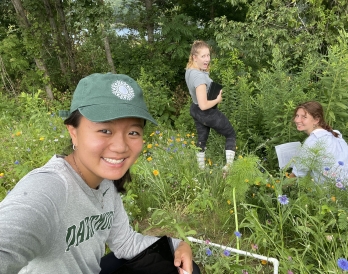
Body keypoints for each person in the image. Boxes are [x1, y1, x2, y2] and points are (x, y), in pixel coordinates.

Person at [0, 73, 199, 274]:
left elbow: (126, 243)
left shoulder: (105, 185)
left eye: (133, 132)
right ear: (73, 132)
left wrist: (179, 245)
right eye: (105, 130)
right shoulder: (49, 188)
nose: (121, 147)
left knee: (181, 266)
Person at [185, 40, 236, 170]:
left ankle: (201, 170)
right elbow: (203, 105)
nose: (207, 59)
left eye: (208, 55)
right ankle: (228, 168)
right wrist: (217, 99)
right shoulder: (199, 78)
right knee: (230, 134)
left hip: (195, 110)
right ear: (194, 57)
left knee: (202, 139)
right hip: (206, 112)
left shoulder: (190, 70)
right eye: (203, 56)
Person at [289, 101, 348, 185]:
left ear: (316, 120)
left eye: (304, 117)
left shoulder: (313, 141)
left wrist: (278, 188)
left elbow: (297, 174)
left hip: (330, 193)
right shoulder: (336, 135)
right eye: (297, 116)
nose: (297, 120)